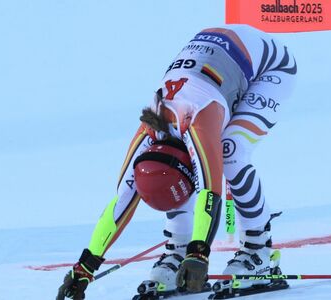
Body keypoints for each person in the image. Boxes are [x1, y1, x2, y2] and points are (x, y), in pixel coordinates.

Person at [56, 24, 296, 299]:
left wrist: (199, 254)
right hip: (219, 53)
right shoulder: (147, 136)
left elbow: (210, 191)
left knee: (230, 152)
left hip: (271, 66)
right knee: (186, 167)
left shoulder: (196, 121)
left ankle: (259, 250)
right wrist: (85, 266)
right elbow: (121, 200)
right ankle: (177, 248)